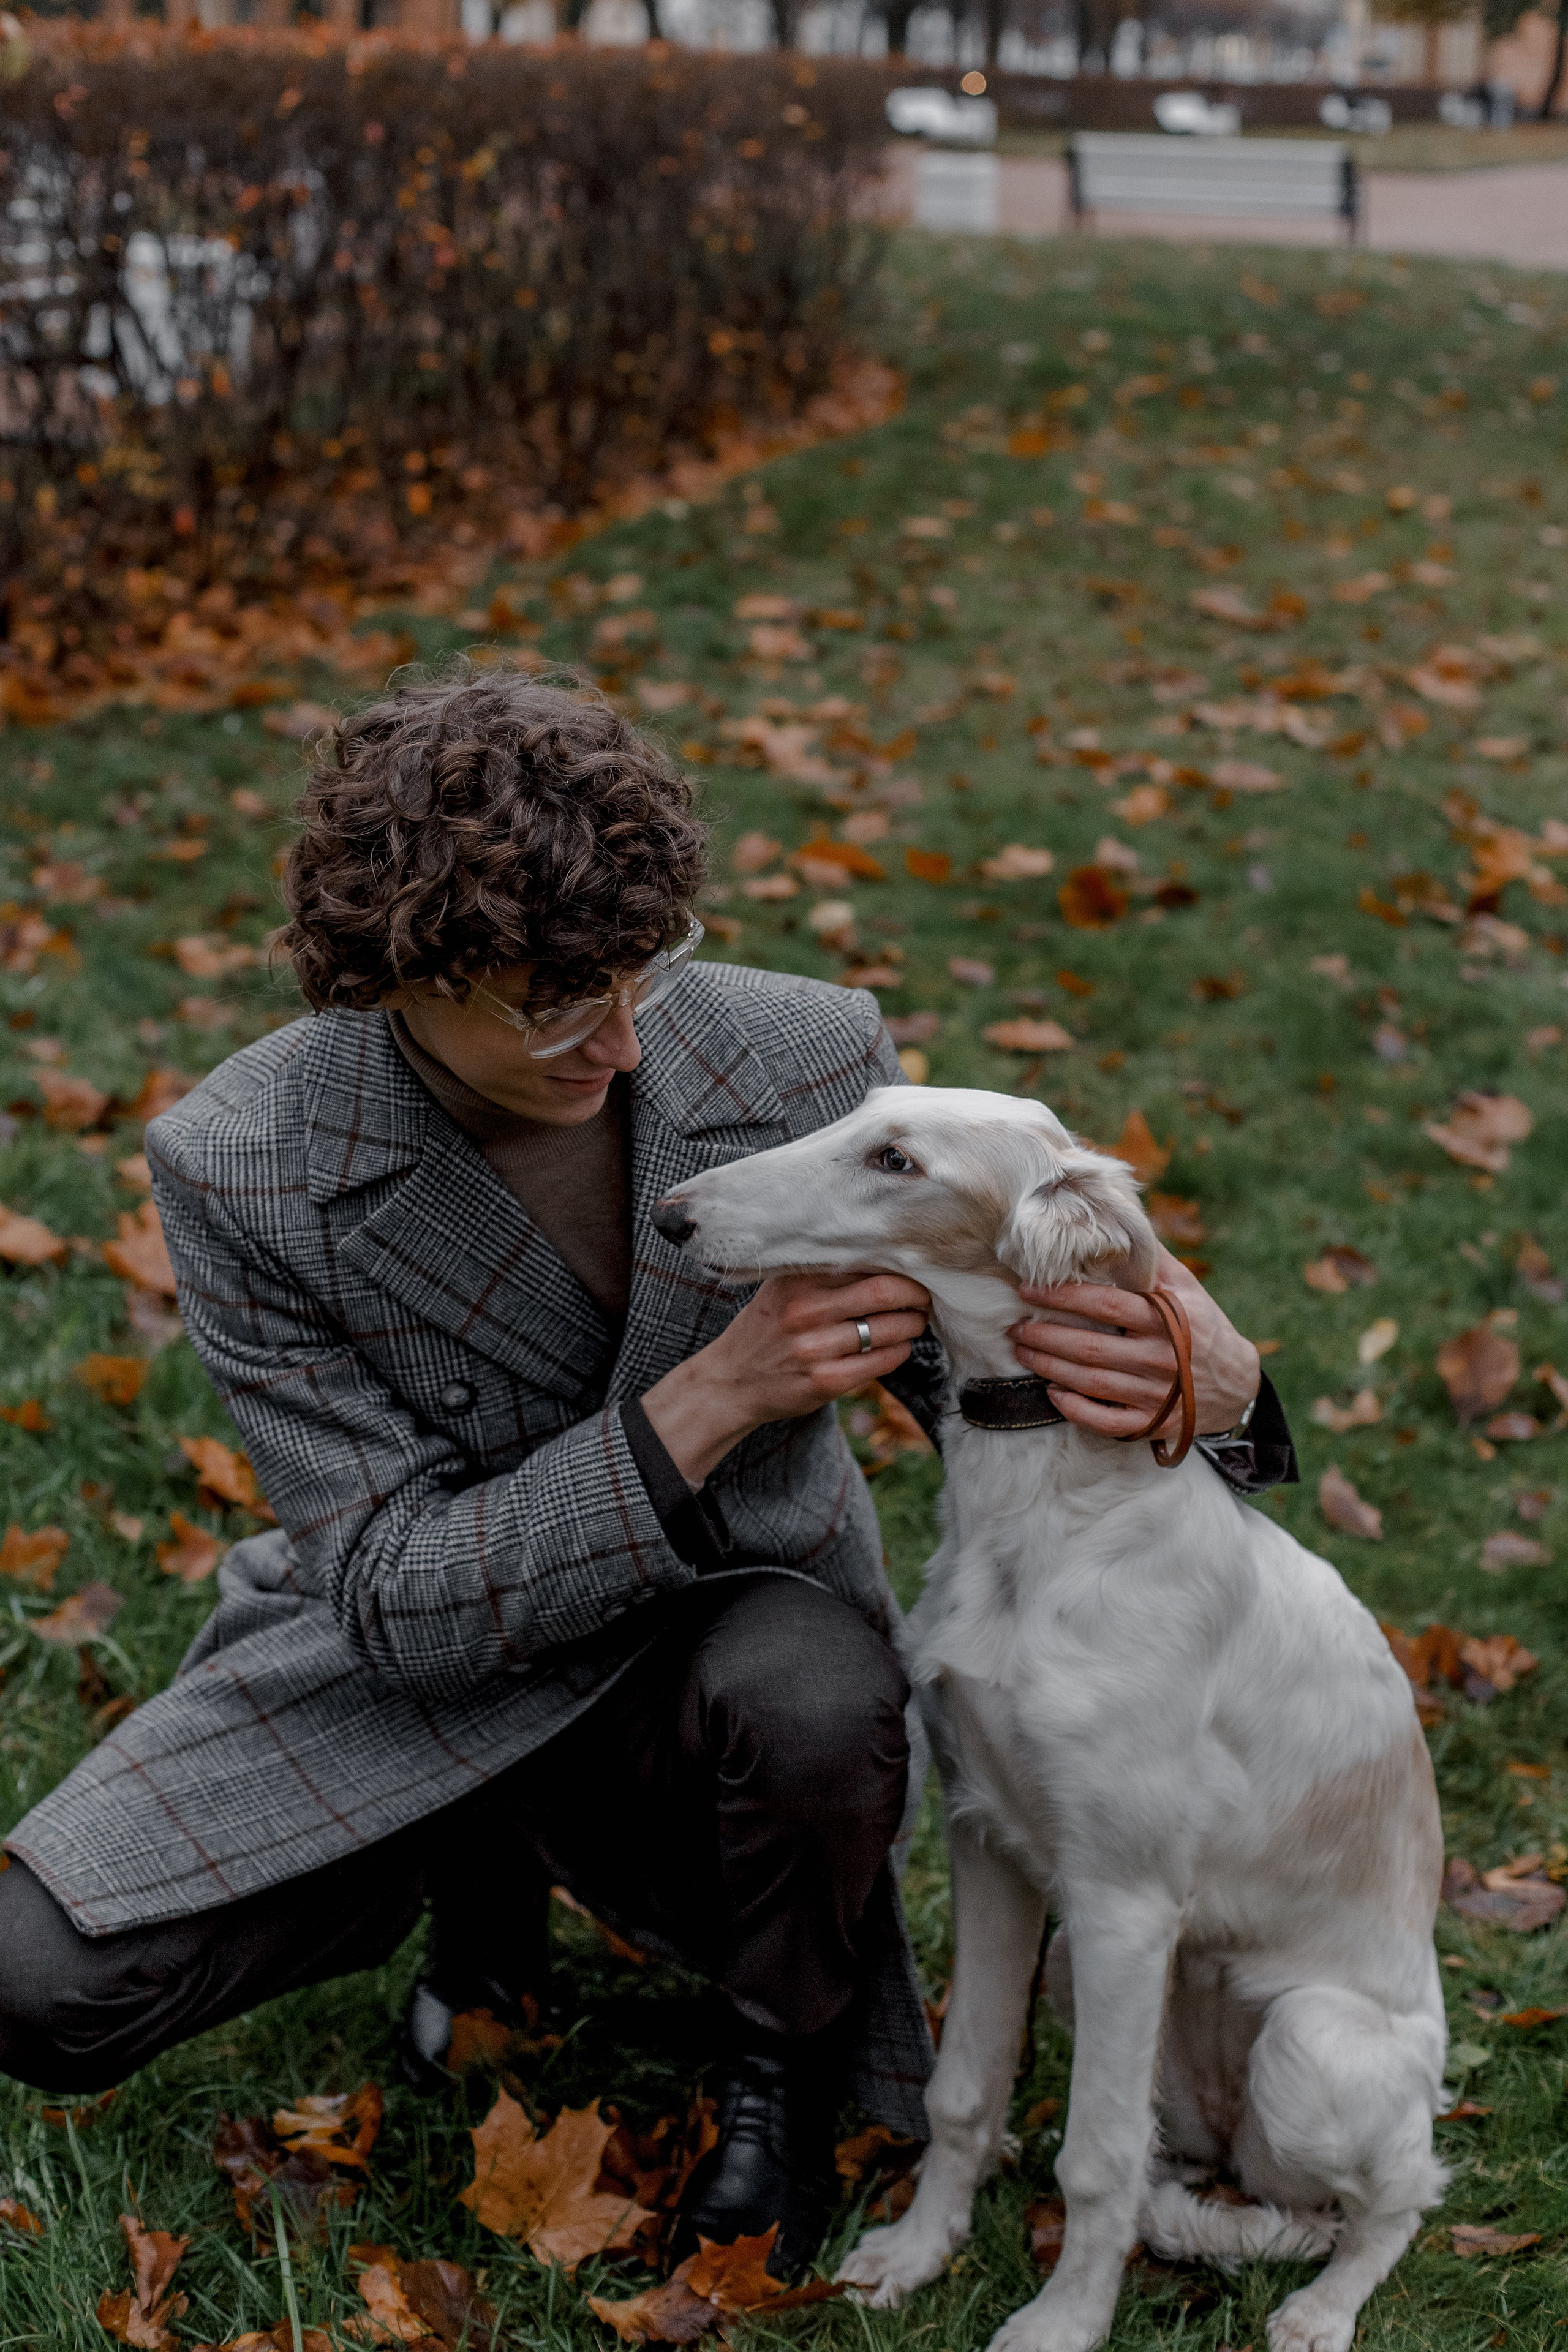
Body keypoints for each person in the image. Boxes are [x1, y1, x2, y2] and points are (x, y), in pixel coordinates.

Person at [0, 667, 1294, 2272]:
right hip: (408, 1658)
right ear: (395, 973)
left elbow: (1007, 1369)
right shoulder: (245, 1158)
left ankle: (778, 2082)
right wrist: (711, 1398)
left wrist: (1223, 1389)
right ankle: (476, 1890)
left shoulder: (800, 1051)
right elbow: (392, 1594)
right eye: (553, 1001)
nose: (618, 1041)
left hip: (723, 1652)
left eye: (641, 973)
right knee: (40, 1988)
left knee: (819, 1688)